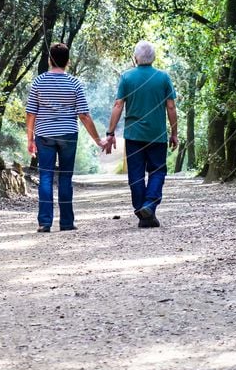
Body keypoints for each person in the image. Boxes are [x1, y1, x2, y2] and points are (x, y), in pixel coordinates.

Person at [26, 42, 104, 233]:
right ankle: (67, 222)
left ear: (49, 60)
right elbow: (84, 115)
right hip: (68, 133)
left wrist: (30, 138)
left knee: (45, 177)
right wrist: (98, 139)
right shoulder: (75, 83)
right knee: (65, 178)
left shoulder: (38, 82)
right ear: (67, 61)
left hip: (44, 134)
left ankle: (45, 222)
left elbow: (30, 114)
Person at [104, 40, 178, 228]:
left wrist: (110, 132)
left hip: (134, 135)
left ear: (136, 57)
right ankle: (149, 206)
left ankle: (142, 211)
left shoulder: (127, 77)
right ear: (153, 58)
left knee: (136, 175)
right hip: (157, 135)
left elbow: (118, 105)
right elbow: (171, 106)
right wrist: (174, 133)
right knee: (157, 171)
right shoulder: (163, 78)